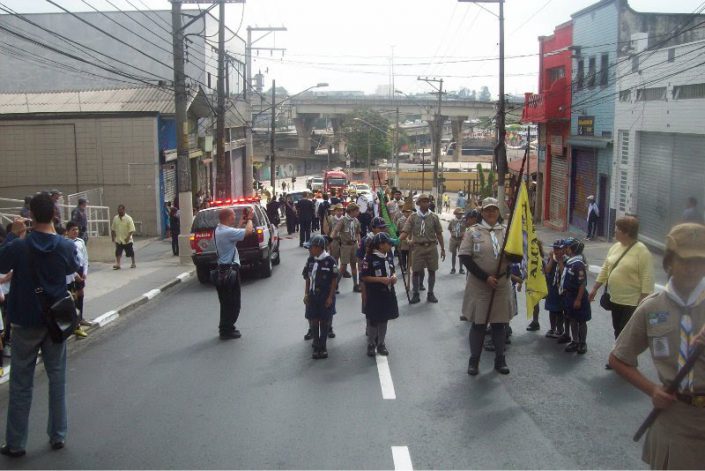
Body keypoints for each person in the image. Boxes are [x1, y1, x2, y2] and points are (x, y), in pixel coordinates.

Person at [609, 223, 705, 470]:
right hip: (675, 422)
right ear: (669, 262)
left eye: (699, 261)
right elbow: (618, 358)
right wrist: (652, 390)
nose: (693, 268)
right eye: (685, 261)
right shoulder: (652, 308)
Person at [0, 193, 79, 457]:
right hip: (55, 322)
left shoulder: (19, 246)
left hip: (24, 322)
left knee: (21, 384)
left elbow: (1, 262)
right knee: (58, 379)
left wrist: (15, 233)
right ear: (54, 214)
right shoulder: (65, 246)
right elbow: (74, 266)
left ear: (31, 215)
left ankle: (16, 443)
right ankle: (58, 435)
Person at [589, 216, 655, 368]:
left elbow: (647, 279)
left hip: (632, 301)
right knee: (618, 329)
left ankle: (623, 360)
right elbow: (606, 268)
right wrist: (594, 288)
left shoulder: (642, 252)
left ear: (627, 232)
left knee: (626, 333)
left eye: (617, 229)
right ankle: (623, 358)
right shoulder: (616, 247)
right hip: (615, 298)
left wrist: (643, 302)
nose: (615, 231)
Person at [458, 197, 512, 375]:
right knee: (479, 325)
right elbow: (465, 257)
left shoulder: (506, 232)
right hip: (480, 285)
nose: (491, 213)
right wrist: (485, 277)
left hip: (501, 285)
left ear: (498, 212)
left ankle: (500, 359)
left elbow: (516, 257)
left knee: (499, 325)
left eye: (494, 210)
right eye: (487, 210)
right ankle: (474, 361)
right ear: (482, 212)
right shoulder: (473, 231)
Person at [214, 207, 254, 339]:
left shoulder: (219, 230)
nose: (234, 218)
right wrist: (249, 219)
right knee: (233, 302)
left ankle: (226, 327)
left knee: (226, 302)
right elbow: (248, 232)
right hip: (229, 270)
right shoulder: (226, 232)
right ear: (227, 218)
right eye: (232, 216)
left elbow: (234, 237)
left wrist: (240, 224)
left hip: (222, 269)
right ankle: (226, 330)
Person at [400, 194, 445, 304]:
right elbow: (405, 231)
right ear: (418, 203)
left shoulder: (434, 217)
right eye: (423, 201)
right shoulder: (413, 217)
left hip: (431, 247)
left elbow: (439, 234)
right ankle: (416, 293)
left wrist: (442, 248)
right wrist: (398, 240)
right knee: (415, 271)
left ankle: (430, 293)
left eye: (427, 201)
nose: (426, 203)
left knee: (432, 271)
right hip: (418, 248)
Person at [361, 232, 399, 357]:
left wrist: (393, 277)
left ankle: (381, 343)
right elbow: (365, 277)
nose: (390, 246)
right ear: (380, 245)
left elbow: (392, 271)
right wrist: (381, 280)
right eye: (388, 244)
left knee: (384, 320)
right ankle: (371, 343)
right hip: (374, 294)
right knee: (373, 320)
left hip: (387, 293)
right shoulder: (369, 258)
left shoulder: (388, 256)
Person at [302, 235, 338, 359]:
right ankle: (316, 345)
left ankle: (323, 346)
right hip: (313, 296)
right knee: (314, 320)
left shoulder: (330, 261)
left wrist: (330, 297)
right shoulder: (310, 260)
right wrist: (306, 294)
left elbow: (334, 280)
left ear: (318, 248)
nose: (309, 250)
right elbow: (307, 278)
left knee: (324, 321)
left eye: (311, 247)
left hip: (325, 295)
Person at [560, 238, 591, 355]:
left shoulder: (578, 264)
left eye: (567, 248)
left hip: (578, 296)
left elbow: (582, 283)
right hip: (569, 295)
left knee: (581, 320)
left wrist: (578, 299)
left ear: (571, 249)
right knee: (572, 319)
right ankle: (575, 341)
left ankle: (582, 343)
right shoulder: (570, 262)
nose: (565, 250)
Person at [64, 222, 89, 338]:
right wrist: (74, 274)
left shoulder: (80, 241)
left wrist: (84, 272)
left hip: (79, 269)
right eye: (73, 230)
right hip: (70, 273)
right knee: (72, 297)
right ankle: (75, 323)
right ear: (67, 231)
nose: (76, 232)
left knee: (80, 293)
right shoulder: (65, 243)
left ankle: (80, 317)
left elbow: (85, 257)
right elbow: (67, 261)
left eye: (77, 229)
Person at [331, 203, 362, 293]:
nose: (358, 212)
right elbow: (335, 230)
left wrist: (359, 242)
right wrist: (331, 239)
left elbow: (358, 232)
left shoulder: (356, 221)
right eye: (357, 211)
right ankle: (335, 285)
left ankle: (355, 285)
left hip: (354, 245)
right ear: (351, 211)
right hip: (345, 245)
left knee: (354, 265)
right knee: (343, 266)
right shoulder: (343, 220)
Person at [543, 240, 567, 339]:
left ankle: (560, 329)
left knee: (559, 311)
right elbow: (547, 271)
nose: (556, 251)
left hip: (561, 289)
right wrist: (552, 260)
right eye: (554, 249)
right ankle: (552, 328)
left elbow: (563, 274)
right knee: (551, 310)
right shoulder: (551, 259)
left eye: (558, 249)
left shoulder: (566, 260)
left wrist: (560, 261)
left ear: (564, 250)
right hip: (552, 288)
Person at [110, 204, 136, 270]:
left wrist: (128, 237)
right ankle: (118, 264)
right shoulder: (115, 218)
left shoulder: (128, 218)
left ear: (124, 210)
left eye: (121, 210)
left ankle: (133, 263)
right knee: (118, 252)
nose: (119, 212)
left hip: (127, 239)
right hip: (119, 239)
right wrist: (113, 237)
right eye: (118, 210)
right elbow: (113, 228)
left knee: (130, 252)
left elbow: (132, 229)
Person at [448, 207, 467, 275]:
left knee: (461, 254)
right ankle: (453, 268)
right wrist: (452, 234)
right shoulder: (452, 221)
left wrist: (464, 234)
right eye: (458, 214)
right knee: (453, 254)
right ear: (455, 214)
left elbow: (467, 228)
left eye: (461, 214)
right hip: (454, 239)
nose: (460, 215)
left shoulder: (464, 221)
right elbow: (449, 228)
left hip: (461, 239)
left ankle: (461, 268)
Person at [396, 208, 412, 273]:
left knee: (409, 256)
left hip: (410, 240)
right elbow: (397, 230)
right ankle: (404, 267)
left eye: (409, 212)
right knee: (403, 255)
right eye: (406, 212)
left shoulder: (412, 220)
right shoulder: (400, 220)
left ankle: (408, 268)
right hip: (402, 241)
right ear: (403, 212)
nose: (408, 213)